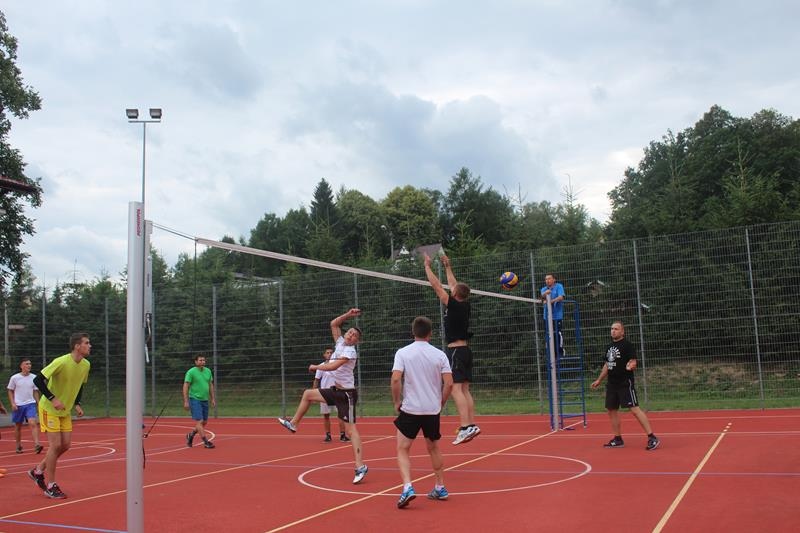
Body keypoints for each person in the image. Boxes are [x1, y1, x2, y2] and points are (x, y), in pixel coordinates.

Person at [278, 308, 368, 484]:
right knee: (308, 394)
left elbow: (333, 366)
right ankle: (293, 424)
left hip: (347, 394)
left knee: (351, 431)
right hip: (335, 391)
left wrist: (316, 367)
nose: (351, 335)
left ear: (357, 341)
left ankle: (360, 466)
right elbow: (334, 324)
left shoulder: (350, 352)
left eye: (354, 336)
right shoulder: (340, 343)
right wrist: (348, 314)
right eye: (350, 332)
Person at [391, 316, 453, 508]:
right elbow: (449, 383)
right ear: (430, 333)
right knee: (433, 447)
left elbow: (395, 379)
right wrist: (441, 402)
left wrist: (396, 401)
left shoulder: (403, 353)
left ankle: (407, 487)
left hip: (411, 408)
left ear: (413, 332)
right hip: (432, 409)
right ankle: (440, 486)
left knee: (403, 448)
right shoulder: (439, 355)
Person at [423, 253, 479, 445]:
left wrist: (427, 267)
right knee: (464, 389)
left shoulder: (453, 305)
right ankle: (471, 424)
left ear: (455, 294)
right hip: (465, 351)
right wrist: (447, 266)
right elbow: (453, 284)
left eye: (453, 289)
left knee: (455, 388)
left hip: (455, 351)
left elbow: (437, 286)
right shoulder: (465, 305)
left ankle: (465, 426)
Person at [29, 333, 91, 499]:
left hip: (65, 410)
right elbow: (38, 380)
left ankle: (38, 471)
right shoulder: (61, 362)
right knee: (55, 445)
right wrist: (52, 398)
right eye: (86, 343)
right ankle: (51, 485)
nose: (89, 346)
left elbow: (80, 385)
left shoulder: (86, 365)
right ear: (77, 346)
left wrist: (77, 403)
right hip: (49, 408)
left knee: (65, 445)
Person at [590, 321, 660, 451]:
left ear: (622, 331)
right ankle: (618, 439)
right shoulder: (609, 347)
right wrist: (599, 379)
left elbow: (633, 361)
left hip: (624, 383)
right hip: (612, 384)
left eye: (616, 329)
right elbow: (607, 364)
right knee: (611, 410)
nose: (613, 331)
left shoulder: (627, 345)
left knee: (634, 409)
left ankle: (652, 437)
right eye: (612, 329)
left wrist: (631, 365)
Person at [7, 358, 43, 454]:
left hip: (30, 404)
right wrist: (13, 403)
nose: (29, 365)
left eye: (30, 364)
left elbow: (35, 391)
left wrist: (38, 403)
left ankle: (37, 444)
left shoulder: (34, 377)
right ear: (21, 366)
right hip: (18, 405)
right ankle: (18, 445)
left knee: (32, 423)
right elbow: (10, 390)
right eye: (26, 364)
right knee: (18, 426)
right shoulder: (14, 378)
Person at [313, 347, 348, 442]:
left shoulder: (337, 365)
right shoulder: (321, 366)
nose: (329, 354)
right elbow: (316, 380)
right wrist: (314, 394)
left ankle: (343, 435)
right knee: (326, 415)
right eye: (327, 353)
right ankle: (328, 435)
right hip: (325, 393)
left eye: (331, 353)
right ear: (324, 355)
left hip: (337, 392)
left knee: (341, 414)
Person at [183, 354, 216, 449]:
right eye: (200, 360)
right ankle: (206, 441)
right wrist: (186, 401)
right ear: (196, 362)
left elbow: (210, 385)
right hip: (194, 399)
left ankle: (191, 435)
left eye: (203, 360)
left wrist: (212, 398)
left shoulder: (208, 371)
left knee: (204, 422)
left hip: (204, 399)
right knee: (199, 421)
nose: (202, 362)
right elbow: (186, 386)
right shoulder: (191, 372)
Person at [540, 273, 566, 359]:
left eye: (549, 278)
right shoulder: (544, 289)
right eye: (546, 279)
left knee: (557, 334)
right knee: (548, 335)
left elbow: (561, 297)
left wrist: (551, 301)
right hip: (547, 317)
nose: (547, 280)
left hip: (557, 316)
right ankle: (550, 354)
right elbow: (542, 297)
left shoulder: (559, 286)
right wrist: (545, 294)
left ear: (554, 279)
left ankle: (559, 353)